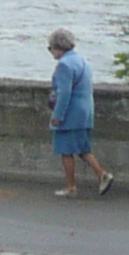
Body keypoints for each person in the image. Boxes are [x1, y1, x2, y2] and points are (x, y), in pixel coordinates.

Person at [48, 29, 114, 196]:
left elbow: (64, 93)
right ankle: (101, 175)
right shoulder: (83, 61)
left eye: (50, 48)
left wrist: (57, 116)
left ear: (58, 47)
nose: (51, 52)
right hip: (85, 110)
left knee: (66, 150)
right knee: (83, 148)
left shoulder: (64, 65)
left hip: (71, 113)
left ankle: (72, 186)